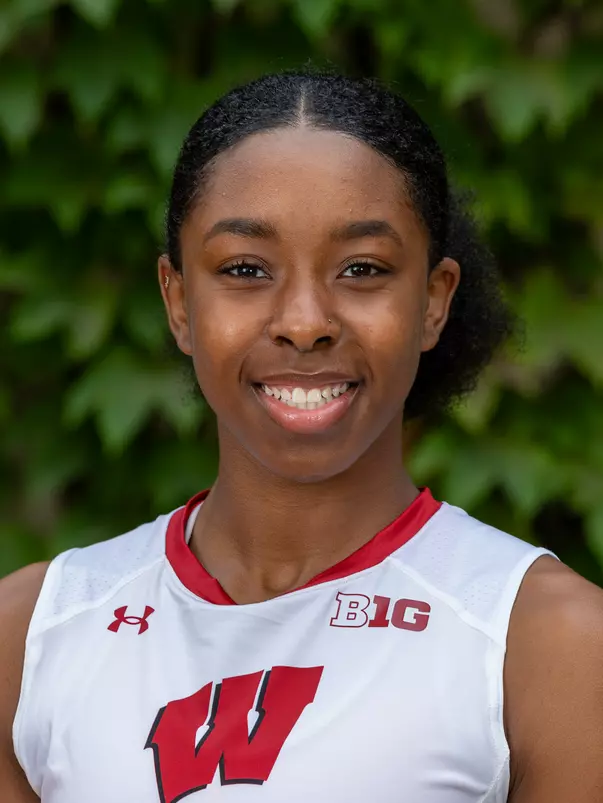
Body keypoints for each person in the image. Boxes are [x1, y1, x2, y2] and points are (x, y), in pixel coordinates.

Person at [1, 71, 602, 803]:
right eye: (245, 269)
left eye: (362, 269)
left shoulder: (547, 643)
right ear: (180, 300)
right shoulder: (32, 636)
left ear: (433, 301)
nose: (304, 320)